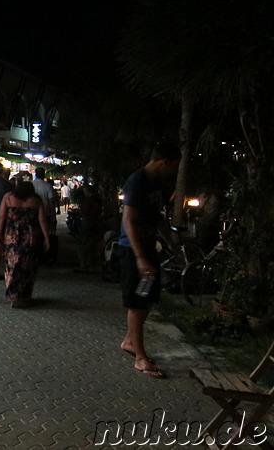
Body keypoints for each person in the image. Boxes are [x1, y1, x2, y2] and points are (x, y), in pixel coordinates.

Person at [117, 142, 181, 379]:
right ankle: (140, 358)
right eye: (173, 166)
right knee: (137, 303)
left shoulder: (155, 184)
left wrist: (172, 245)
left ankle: (129, 341)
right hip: (132, 250)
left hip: (147, 248)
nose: (173, 172)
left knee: (149, 296)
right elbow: (128, 221)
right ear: (164, 162)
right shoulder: (137, 182)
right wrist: (140, 257)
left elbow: (157, 218)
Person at [0, 180, 50, 308]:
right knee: (28, 265)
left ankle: (13, 294)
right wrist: (46, 237)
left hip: (12, 235)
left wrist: (0, 234)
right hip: (30, 235)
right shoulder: (36, 200)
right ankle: (25, 295)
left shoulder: (8, 197)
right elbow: (42, 220)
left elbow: (1, 216)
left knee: (12, 264)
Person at [75, 184, 103, 273]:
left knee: (83, 243)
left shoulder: (89, 200)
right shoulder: (98, 199)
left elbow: (85, 211)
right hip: (96, 222)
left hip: (88, 223)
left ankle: (84, 264)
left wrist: (81, 210)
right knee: (92, 243)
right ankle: (91, 264)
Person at [32, 167, 58, 234]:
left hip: (33, 213)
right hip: (46, 213)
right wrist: (53, 217)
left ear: (36, 174)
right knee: (45, 233)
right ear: (43, 174)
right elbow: (51, 202)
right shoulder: (48, 186)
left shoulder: (31, 184)